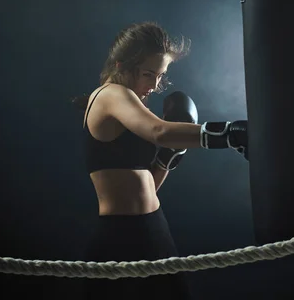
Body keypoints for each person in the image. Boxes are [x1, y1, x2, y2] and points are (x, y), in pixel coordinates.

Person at [71, 21, 248, 299]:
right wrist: (231, 134)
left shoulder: (129, 103)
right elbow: (159, 131)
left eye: (160, 76)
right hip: (121, 234)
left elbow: (147, 187)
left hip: (154, 227)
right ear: (121, 66)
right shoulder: (110, 95)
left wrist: (167, 158)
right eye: (148, 74)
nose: (154, 85)